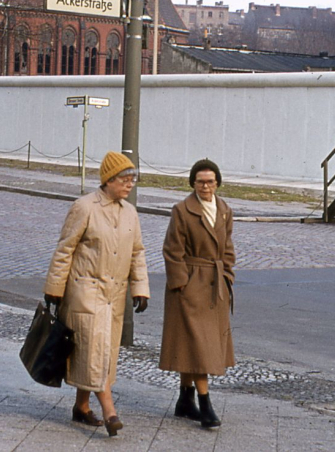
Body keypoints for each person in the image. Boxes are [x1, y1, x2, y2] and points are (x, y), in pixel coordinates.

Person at [43, 151, 150, 437]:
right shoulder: (84, 207)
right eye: (125, 179)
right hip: (85, 292)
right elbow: (65, 249)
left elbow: (137, 253)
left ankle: (81, 407)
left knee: (97, 353)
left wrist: (140, 288)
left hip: (115, 296)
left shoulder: (130, 212)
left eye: (133, 180)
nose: (130, 185)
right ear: (108, 180)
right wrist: (54, 289)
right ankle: (110, 411)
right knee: (97, 354)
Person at [159, 158, 236, 429]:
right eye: (201, 181)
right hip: (191, 286)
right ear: (193, 182)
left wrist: (227, 275)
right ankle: (205, 403)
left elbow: (227, 248)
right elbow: (172, 250)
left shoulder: (225, 210)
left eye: (210, 181)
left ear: (217, 183)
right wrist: (182, 285)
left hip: (215, 287)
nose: (206, 186)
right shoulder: (182, 210)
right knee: (199, 346)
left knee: (192, 345)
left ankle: (184, 399)